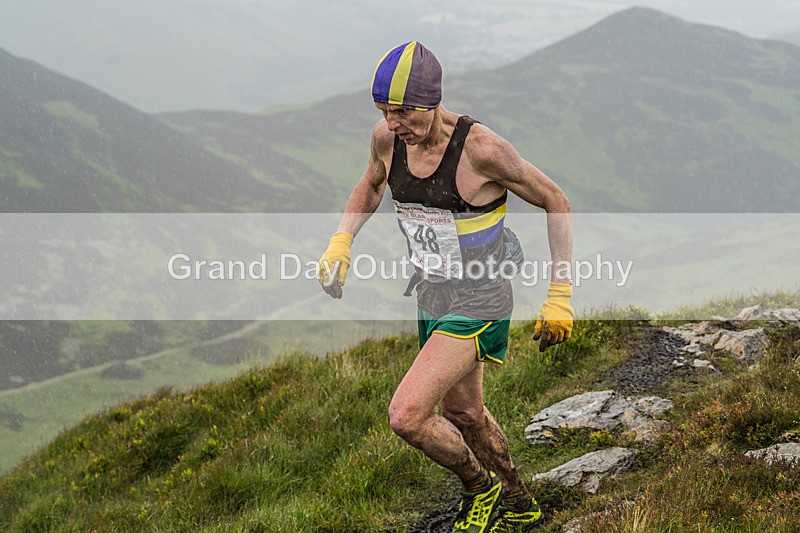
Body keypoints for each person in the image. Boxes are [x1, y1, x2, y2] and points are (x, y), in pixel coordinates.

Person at [317, 41, 573, 533]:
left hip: (481, 297)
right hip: (432, 293)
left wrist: (559, 294)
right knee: (465, 412)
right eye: (384, 111)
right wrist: (341, 241)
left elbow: (555, 200)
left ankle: (482, 488)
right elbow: (371, 185)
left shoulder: (482, 151)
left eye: (403, 112)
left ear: (433, 102)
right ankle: (522, 505)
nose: (393, 124)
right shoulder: (388, 139)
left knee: (407, 415)